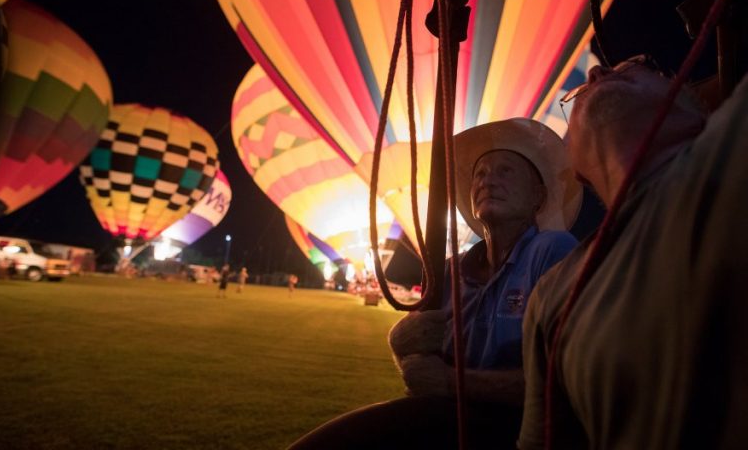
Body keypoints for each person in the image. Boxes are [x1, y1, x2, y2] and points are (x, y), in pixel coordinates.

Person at [288, 118, 582, 449]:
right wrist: (401, 346)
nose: (488, 180)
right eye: (480, 174)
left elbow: (564, 380)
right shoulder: (450, 271)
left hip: (512, 433)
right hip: (447, 426)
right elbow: (423, 372)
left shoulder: (551, 250)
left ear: (537, 196)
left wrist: (451, 382)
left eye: (505, 171)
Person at [518, 58, 748, 449]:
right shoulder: (551, 292)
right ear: (574, 165)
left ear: (696, 110)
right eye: (576, 96)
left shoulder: (732, 140)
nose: (596, 73)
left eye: (634, 67)